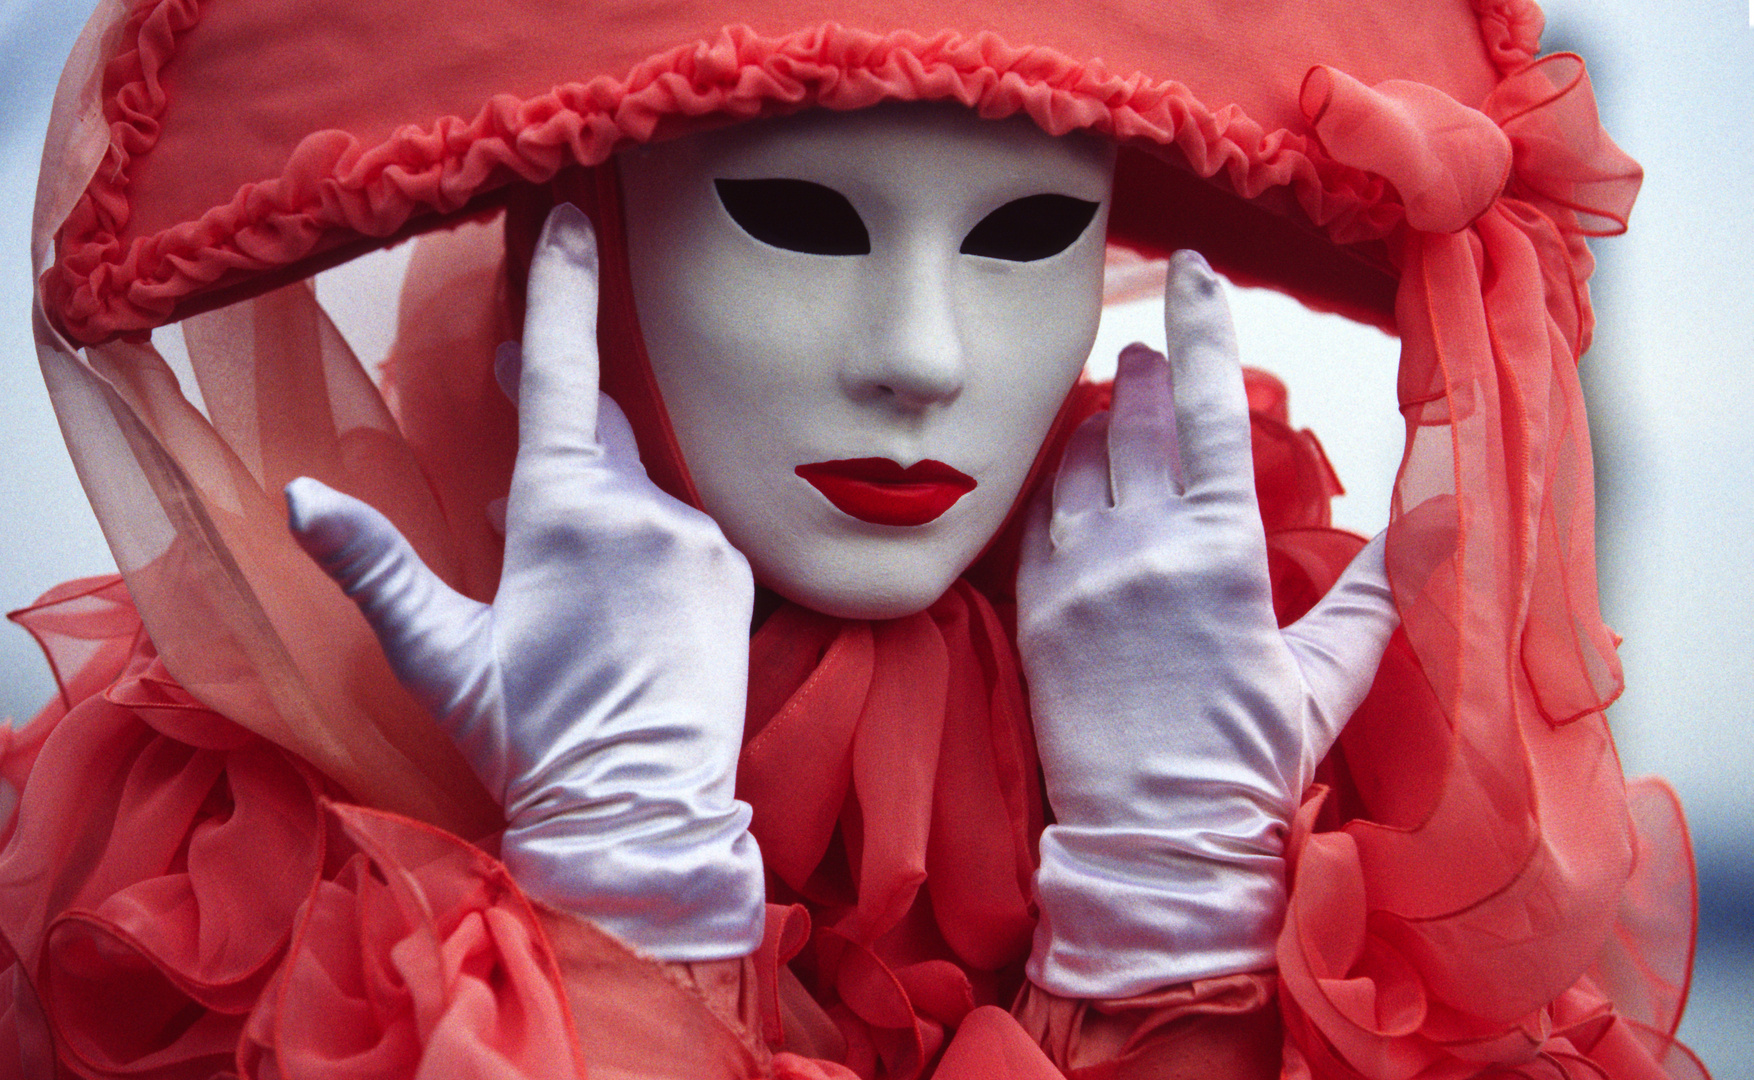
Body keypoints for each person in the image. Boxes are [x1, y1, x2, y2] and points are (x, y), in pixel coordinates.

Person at [0, 0, 1701, 1077]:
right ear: (582, 241)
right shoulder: (216, 832)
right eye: (799, 219)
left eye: (1027, 236)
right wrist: (613, 890)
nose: (924, 356)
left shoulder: (1303, 736)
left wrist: (1187, 910)